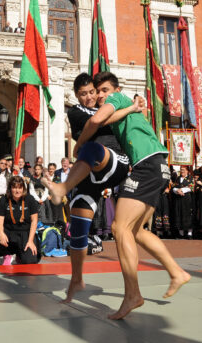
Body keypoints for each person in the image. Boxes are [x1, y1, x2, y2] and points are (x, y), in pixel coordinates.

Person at [46, 71, 189, 319]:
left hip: (143, 166)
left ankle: (133, 294)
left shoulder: (119, 99)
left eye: (101, 91)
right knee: (136, 231)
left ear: (115, 89)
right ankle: (177, 272)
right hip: (158, 167)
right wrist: (134, 108)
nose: (98, 96)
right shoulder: (112, 109)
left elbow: (96, 122)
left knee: (119, 228)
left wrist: (78, 145)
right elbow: (105, 120)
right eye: (92, 92)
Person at [56, 72, 144, 301]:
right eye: (83, 94)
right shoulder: (75, 112)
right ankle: (76, 279)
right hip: (91, 172)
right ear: (76, 95)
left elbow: (104, 119)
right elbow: (95, 123)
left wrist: (135, 107)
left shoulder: (109, 105)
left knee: (91, 150)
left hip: (114, 162)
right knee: (78, 225)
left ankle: (63, 187)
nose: (89, 97)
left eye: (92, 92)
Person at [0, 176, 40, 265]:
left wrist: (30, 241)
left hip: (25, 233)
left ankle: (20, 254)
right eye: (14, 187)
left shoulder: (30, 199)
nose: (17, 191)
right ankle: (7, 254)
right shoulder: (3, 200)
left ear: (23, 188)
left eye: (20, 188)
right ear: (10, 188)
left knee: (30, 261)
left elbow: (34, 221)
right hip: (9, 231)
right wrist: (1, 234)